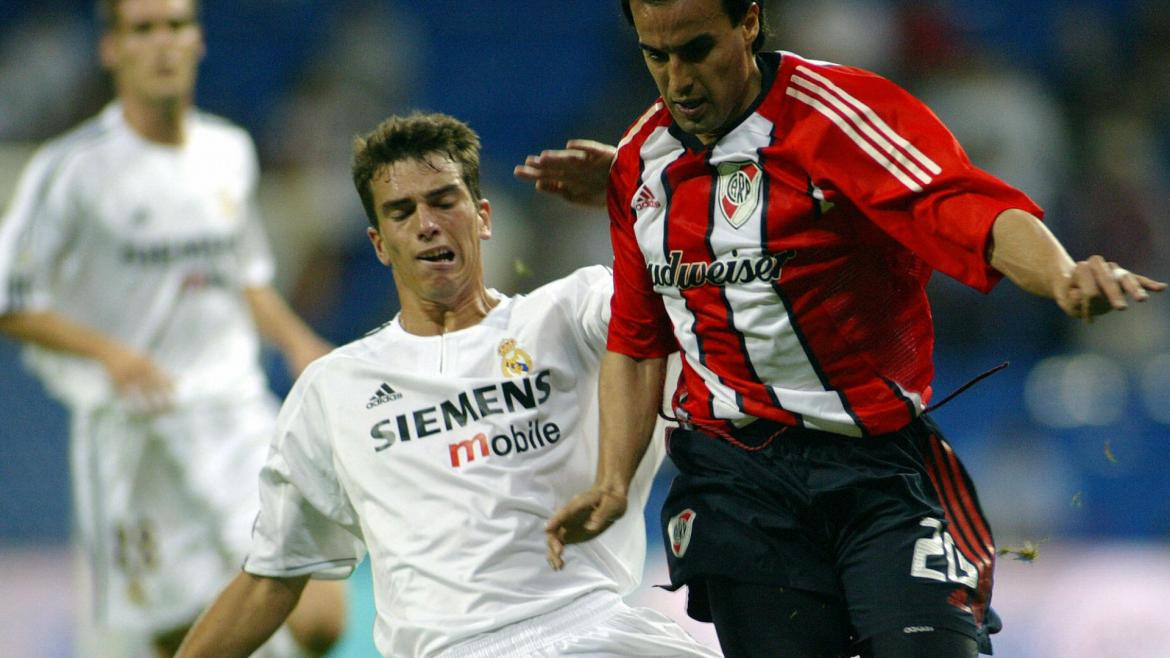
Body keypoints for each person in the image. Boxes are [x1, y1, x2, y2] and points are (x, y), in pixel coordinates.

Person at [516, 1, 1167, 657]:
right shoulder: (639, 162)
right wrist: (612, 482)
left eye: (697, 49)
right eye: (657, 56)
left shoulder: (840, 115)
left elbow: (961, 204)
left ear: (748, 22)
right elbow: (638, 337)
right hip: (738, 482)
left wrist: (1059, 274)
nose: (678, 78)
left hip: (875, 468)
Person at [174, 112, 719, 658]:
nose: (427, 223)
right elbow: (272, 578)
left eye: (444, 201)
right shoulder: (334, 389)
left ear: (483, 217)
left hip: (595, 631)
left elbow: (718, 295)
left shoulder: (574, 312)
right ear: (380, 243)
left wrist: (642, 196)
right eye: (401, 211)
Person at [0, 1, 344, 656]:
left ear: (198, 40)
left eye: (176, 25)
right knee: (179, 640)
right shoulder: (71, 169)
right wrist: (110, 354)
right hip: (135, 432)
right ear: (112, 49)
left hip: (233, 413)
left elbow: (244, 277)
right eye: (144, 28)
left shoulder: (228, 150)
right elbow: (10, 298)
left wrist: (299, 342)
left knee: (320, 614)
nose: (163, 42)